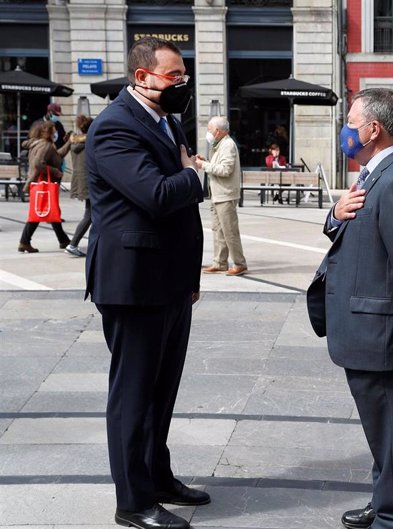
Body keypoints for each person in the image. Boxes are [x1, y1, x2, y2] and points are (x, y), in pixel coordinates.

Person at [307, 88, 393, 529]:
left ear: (373, 129)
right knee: (380, 428)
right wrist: (334, 215)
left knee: (389, 431)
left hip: (378, 330)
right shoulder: (373, 173)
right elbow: (357, 230)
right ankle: (385, 499)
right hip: (363, 326)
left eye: (351, 122)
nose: (346, 129)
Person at [85, 36, 208, 529]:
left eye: (183, 75)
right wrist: (195, 176)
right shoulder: (115, 127)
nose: (182, 84)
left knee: (163, 390)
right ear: (143, 78)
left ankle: (158, 476)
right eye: (174, 76)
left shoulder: (164, 119)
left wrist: (190, 277)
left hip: (170, 281)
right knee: (134, 395)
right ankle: (133, 501)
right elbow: (156, 194)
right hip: (133, 283)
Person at [196, 116, 248, 276]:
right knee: (218, 230)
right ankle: (220, 262)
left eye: (210, 130)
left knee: (230, 231)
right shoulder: (220, 145)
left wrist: (203, 165)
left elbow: (225, 170)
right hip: (218, 194)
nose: (209, 133)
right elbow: (220, 165)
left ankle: (239, 263)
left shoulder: (228, 145)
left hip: (225, 195)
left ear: (218, 131)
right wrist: (208, 161)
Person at [17, 120, 71, 253]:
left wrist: (69, 143)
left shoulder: (44, 144)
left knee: (51, 211)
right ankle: (24, 242)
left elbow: (57, 156)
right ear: (47, 131)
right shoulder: (45, 145)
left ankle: (63, 240)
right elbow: (38, 164)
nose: (56, 132)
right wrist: (55, 171)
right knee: (39, 213)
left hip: (42, 184)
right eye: (54, 130)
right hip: (44, 185)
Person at [64, 114, 93, 257]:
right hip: (90, 181)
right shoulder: (90, 142)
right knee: (90, 215)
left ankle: (77, 243)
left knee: (92, 214)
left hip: (81, 180)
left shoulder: (74, 141)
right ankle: (73, 244)